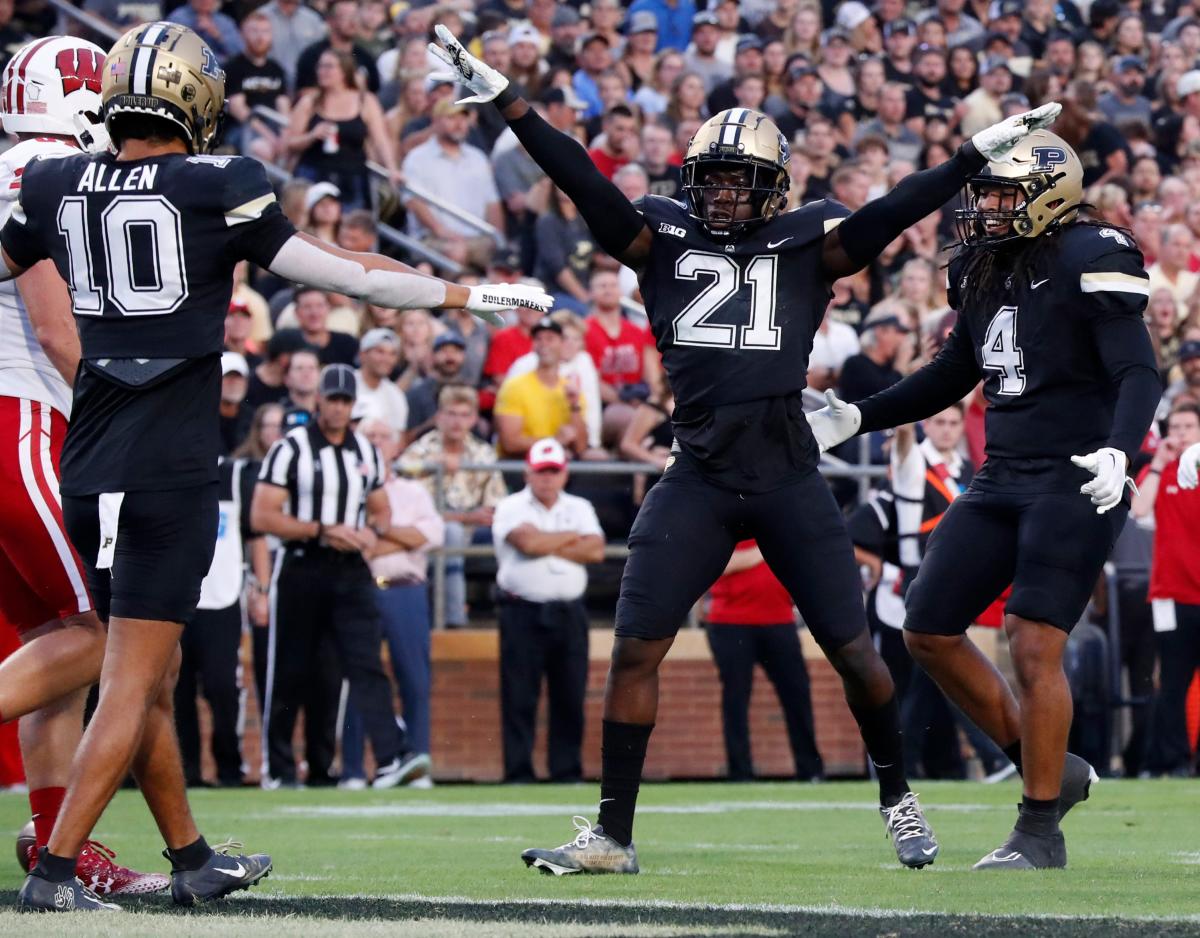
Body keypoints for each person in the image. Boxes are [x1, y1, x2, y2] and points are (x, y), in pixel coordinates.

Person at [430, 24, 1059, 872]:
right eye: (714, 177)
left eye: (741, 179)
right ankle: (614, 834)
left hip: (788, 471)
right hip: (697, 471)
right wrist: (513, 103)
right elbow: (580, 177)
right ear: (692, 179)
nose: (725, 194)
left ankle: (896, 797)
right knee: (637, 648)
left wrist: (961, 163)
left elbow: (887, 213)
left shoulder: (810, 240)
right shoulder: (658, 235)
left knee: (853, 650)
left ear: (774, 185)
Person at [0, 22, 551, 913]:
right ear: (195, 99)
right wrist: (468, 292)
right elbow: (349, 276)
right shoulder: (218, 183)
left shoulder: (59, 180)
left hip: (89, 459)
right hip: (169, 463)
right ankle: (55, 874)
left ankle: (190, 856)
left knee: (152, 674)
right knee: (131, 676)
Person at [808, 131, 1160, 869]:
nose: (989, 208)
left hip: (1076, 474)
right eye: (988, 194)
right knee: (927, 625)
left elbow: (1137, 374)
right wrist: (860, 415)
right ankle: (1051, 767)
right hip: (1002, 471)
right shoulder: (977, 262)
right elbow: (953, 372)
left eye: (1005, 194)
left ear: (1050, 195)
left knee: (1033, 642)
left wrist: (1119, 452)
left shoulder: (1095, 253)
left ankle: (1039, 830)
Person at [0, 34, 171, 901]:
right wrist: (125, 424)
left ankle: (59, 840)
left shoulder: (17, 163)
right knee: (94, 644)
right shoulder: (43, 174)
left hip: (12, 420)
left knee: (50, 642)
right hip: (18, 419)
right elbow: (58, 328)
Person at [251, 365, 426, 791]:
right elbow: (262, 514)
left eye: (346, 401)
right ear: (319, 401)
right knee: (290, 668)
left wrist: (371, 532)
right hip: (303, 563)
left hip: (351, 569)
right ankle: (278, 767)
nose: (338, 407)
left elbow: (381, 509)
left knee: (365, 662)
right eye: (332, 399)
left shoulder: (364, 451)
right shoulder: (290, 448)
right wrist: (321, 530)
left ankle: (388, 759)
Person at [339, 418, 444, 789]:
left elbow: (431, 534)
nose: (377, 442)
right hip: (360, 588)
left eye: (383, 435)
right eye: (369, 436)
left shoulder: (414, 491)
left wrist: (380, 533)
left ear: (397, 444)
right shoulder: (346, 487)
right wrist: (401, 537)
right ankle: (352, 768)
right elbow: (351, 542)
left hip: (405, 588)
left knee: (414, 678)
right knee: (358, 679)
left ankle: (416, 762)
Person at [492, 438, 605, 782]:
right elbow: (526, 544)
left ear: (564, 473)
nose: (547, 478)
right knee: (519, 695)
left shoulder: (580, 505)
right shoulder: (510, 505)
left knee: (570, 693)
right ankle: (518, 771)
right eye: (541, 471)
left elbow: (596, 551)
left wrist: (547, 541)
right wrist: (572, 538)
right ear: (528, 471)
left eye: (553, 471)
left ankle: (566, 770)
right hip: (521, 611)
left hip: (569, 612)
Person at [704, 541, 823, 782]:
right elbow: (715, 565)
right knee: (736, 698)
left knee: (797, 693)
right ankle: (740, 772)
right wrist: (767, 547)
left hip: (779, 618)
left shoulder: (780, 519)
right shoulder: (726, 520)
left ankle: (811, 770)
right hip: (730, 622)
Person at [403, 385, 508, 627]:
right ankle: (453, 619)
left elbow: (495, 507)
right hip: (425, 531)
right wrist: (463, 517)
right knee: (450, 532)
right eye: (450, 414)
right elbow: (408, 508)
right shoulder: (419, 452)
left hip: (474, 531)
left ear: (473, 419)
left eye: (463, 415)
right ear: (439, 417)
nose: (456, 422)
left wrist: (467, 518)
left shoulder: (482, 454)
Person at [1132, 403, 1200, 776]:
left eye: (1190, 426)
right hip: (1171, 596)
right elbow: (1139, 508)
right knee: (1173, 683)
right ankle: (1172, 762)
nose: (1182, 433)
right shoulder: (1160, 470)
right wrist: (1158, 462)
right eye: (1176, 427)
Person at [494, 317, 589, 459]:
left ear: (562, 344)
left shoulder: (571, 390)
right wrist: (553, 441)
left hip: (558, 463)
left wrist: (574, 406)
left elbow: (580, 447)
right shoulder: (514, 386)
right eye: (538, 339)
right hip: (520, 462)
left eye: (550, 339)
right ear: (533, 345)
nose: (544, 344)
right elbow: (509, 443)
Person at [355, 327, 409, 435]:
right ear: (363, 355)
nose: (386, 359)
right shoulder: (347, 383)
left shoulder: (395, 395)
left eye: (392, 354)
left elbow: (397, 439)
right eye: (380, 352)